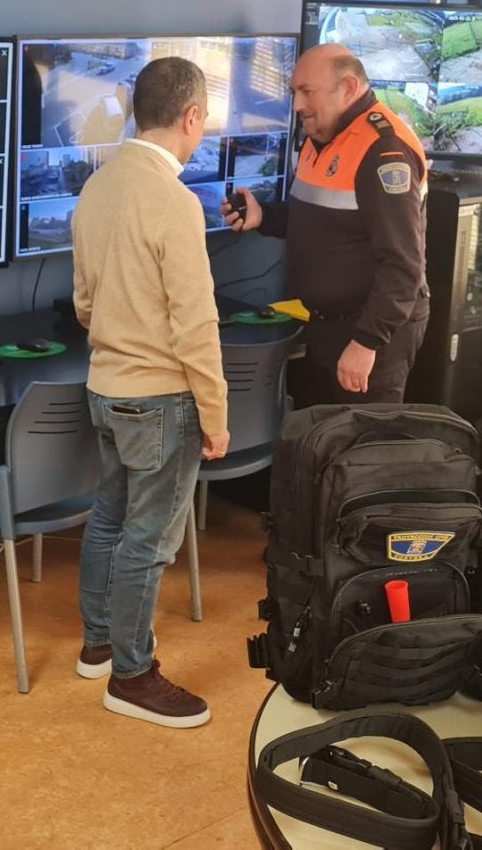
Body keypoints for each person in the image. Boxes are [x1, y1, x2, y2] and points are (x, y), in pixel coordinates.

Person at [71, 57, 229, 728]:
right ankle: (132, 677)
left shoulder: (97, 187)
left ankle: (99, 644)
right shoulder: (175, 202)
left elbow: (84, 303)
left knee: (108, 520)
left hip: (105, 389)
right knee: (148, 540)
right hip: (161, 401)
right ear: (192, 116)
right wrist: (216, 416)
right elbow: (196, 324)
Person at [224, 44, 428, 405]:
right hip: (324, 324)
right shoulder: (322, 136)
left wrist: (366, 343)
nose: (297, 105)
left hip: (368, 331)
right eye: (294, 93)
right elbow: (322, 220)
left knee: (359, 450)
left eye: (307, 92)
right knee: (320, 441)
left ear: (348, 88)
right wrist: (265, 216)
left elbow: (402, 264)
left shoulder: (383, 150)